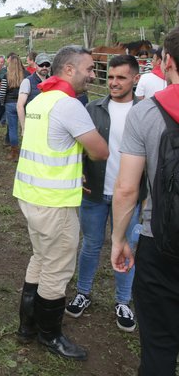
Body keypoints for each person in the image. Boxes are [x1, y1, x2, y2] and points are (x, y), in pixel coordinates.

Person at [13, 45, 108, 361]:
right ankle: (49, 335)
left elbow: (52, 145)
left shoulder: (40, 100)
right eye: (90, 69)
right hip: (54, 203)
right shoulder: (69, 105)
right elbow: (99, 150)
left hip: (31, 195)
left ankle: (27, 326)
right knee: (57, 269)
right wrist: (85, 157)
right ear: (69, 69)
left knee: (40, 257)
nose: (93, 75)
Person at [111, 27, 179, 375]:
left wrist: (119, 239)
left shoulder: (146, 114)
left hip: (161, 241)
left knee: (159, 346)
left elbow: (127, 188)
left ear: (166, 61)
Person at [65, 55, 144, 333]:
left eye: (121, 77)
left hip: (129, 197)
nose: (113, 82)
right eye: (110, 77)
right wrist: (81, 173)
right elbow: (80, 147)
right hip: (94, 193)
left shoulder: (145, 112)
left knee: (125, 248)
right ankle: (83, 293)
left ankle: (123, 301)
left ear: (136, 79)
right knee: (90, 245)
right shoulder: (92, 109)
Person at [2, 54, 30, 161]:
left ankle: (14, 152)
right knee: (26, 126)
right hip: (24, 103)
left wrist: (2, 102)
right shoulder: (27, 75)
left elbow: (2, 92)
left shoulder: (6, 75)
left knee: (13, 128)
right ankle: (28, 150)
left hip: (10, 104)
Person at [17, 53, 51, 131]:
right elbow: (20, 106)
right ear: (36, 65)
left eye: (47, 64)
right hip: (33, 125)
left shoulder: (53, 82)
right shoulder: (27, 81)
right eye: (41, 65)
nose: (44, 67)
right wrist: (24, 127)